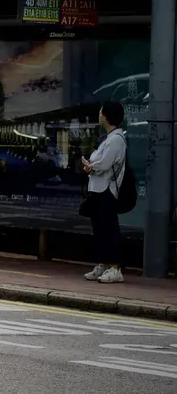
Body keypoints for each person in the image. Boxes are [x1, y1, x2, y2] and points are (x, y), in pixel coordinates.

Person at [82, 101, 128, 284]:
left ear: (107, 116)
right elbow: (98, 161)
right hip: (98, 190)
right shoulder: (108, 138)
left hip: (107, 190)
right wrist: (92, 165)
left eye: (101, 112)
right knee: (100, 229)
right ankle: (103, 264)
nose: (99, 114)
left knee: (109, 229)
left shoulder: (116, 139)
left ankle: (115, 268)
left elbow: (103, 163)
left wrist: (90, 166)